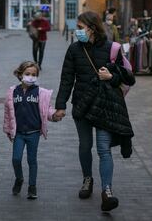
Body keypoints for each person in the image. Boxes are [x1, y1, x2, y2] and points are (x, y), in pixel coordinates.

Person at [53, 11, 131, 212]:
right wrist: (60, 105)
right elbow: (67, 79)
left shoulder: (111, 49)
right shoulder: (74, 50)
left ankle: (107, 191)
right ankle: (87, 179)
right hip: (83, 105)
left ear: (92, 28)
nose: (77, 31)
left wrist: (110, 78)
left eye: (80, 27)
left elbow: (127, 78)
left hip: (104, 106)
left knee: (103, 149)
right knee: (85, 145)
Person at [3, 61, 59, 200]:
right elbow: (7, 112)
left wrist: (54, 115)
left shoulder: (41, 92)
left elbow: (47, 109)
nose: (30, 77)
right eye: (27, 74)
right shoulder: (12, 92)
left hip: (34, 132)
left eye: (34, 75)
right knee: (16, 159)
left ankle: (32, 187)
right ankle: (19, 178)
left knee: (32, 160)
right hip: (19, 133)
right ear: (20, 74)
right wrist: (8, 129)